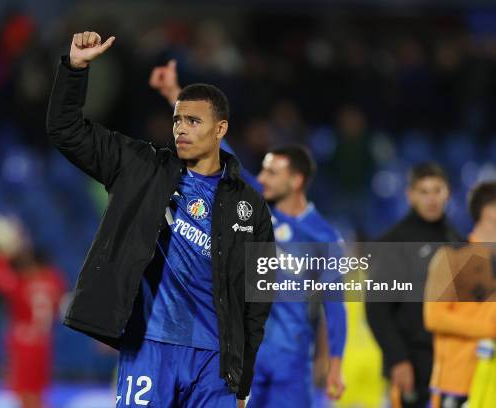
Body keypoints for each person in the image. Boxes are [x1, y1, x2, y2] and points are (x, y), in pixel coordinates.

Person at [47, 31, 275, 408]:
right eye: (177, 119)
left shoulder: (248, 206)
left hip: (215, 361)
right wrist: (75, 68)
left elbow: (257, 298)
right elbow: (65, 130)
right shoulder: (141, 167)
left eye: (193, 121)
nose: (181, 128)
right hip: (150, 345)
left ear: (221, 130)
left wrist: (242, 376)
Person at [150, 60, 346, 407]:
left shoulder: (323, 237)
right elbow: (222, 149)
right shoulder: (254, 203)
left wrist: (335, 365)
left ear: (296, 181)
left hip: (291, 360)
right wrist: (173, 95)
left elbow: (334, 306)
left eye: (273, 173)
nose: (264, 178)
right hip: (244, 353)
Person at [365, 162, 463, 408]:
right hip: (411, 365)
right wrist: (398, 359)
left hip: (452, 366)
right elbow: (377, 310)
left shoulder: (458, 242)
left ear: (448, 193)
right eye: (424, 191)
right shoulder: (393, 242)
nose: (431, 199)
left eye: (437, 190)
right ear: (410, 196)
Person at [423, 181, 496, 408]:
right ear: (489, 212)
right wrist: (489, 329)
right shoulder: (451, 258)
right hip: (459, 383)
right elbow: (434, 316)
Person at [0, 248, 65, 408]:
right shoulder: (55, 281)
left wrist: (2, 253)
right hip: (44, 342)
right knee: (39, 393)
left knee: (25, 393)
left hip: (24, 343)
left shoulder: (22, 284)